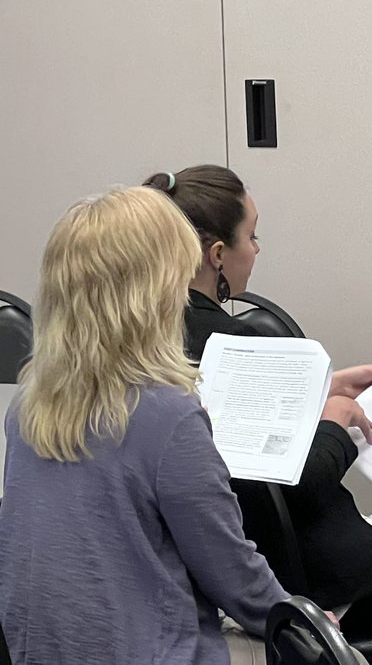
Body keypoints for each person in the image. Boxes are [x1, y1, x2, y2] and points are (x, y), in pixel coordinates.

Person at [0, 186, 288, 663]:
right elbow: (234, 576)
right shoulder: (167, 416)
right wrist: (299, 618)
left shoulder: (28, 405)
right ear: (152, 292)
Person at [144, 165, 372, 636]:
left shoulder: (151, 338)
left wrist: (321, 388)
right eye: (252, 236)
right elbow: (285, 486)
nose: (257, 250)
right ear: (218, 254)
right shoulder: (231, 345)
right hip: (300, 579)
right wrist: (334, 424)